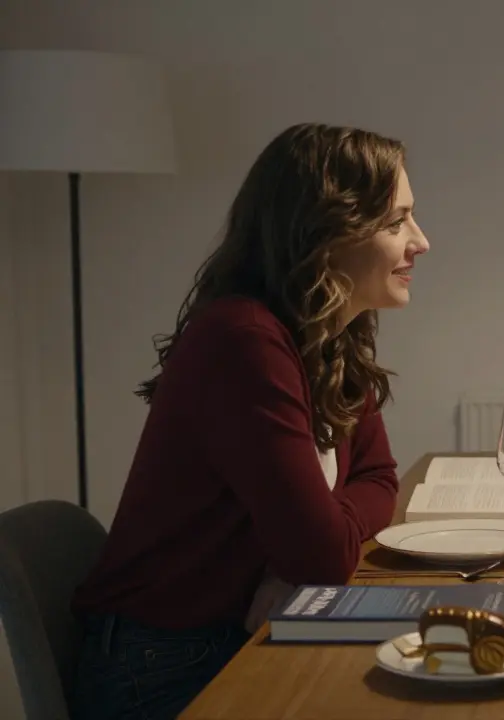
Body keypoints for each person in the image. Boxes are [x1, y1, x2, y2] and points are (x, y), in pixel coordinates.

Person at [68, 122, 429, 720]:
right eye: (396, 222)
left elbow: (382, 479)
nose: (421, 241)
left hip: (231, 636)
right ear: (325, 233)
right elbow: (322, 554)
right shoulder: (244, 340)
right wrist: (304, 553)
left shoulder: (327, 336)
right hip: (163, 666)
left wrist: (303, 552)